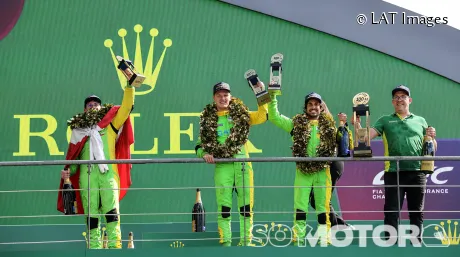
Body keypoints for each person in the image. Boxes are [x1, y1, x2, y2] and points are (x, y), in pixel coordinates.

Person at [352, 85, 437, 244]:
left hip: (417, 172)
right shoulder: (385, 120)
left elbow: (433, 147)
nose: (400, 100)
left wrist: (432, 137)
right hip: (393, 171)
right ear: (393, 102)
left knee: (416, 212)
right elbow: (365, 138)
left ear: (409, 100)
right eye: (396, 97)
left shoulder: (421, 121)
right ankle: (391, 244)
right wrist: (357, 125)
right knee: (392, 211)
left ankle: (416, 243)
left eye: (403, 96)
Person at [57, 82, 135, 249]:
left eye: (96, 104)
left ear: (101, 108)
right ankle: (94, 250)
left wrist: (130, 86)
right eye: (89, 105)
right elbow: (74, 162)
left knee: (112, 215)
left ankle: (115, 249)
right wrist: (68, 172)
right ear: (85, 110)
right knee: (91, 218)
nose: (93, 106)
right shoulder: (78, 132)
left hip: (108, 176)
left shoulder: (110, 126)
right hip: (87, 178)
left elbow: (127, 107)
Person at [195, 82, 267, 247]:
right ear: (214, 98)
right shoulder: (207, 119)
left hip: (242, 164)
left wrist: (260, 92)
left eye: (225, 95)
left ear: (230, 96)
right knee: (224, 208)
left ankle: (246, 243)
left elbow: (263, 116)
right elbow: (199, 145)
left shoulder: (241, 113)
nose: (223, 98)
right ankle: (226, 243)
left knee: (246, 208)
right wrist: (204, 154)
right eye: (219, 95)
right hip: (222, 166)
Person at [268, 91, 337, 246]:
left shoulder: (329, 125)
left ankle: (324, 240)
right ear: (305, 107)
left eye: (316, 104)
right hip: (303, 172)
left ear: (321, 107)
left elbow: (345, 142)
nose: (313, 107)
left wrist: (347, 125)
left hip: (322, 171)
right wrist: (272, 98)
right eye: (310, 104)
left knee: (322, 208)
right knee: (300, 207)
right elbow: (275, 117)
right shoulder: (296, 124)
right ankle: (298, 240)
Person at [308, 100, 355, 230]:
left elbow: (347, 145)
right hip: (325, 165)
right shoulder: (311, 126)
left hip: (333, 164)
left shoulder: (330, 126)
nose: (317, 110)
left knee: (320, 198)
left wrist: (344, 125)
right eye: (312, 106)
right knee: (318, 198)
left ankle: (338, 226)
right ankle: (340, 225)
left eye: (320, 108)